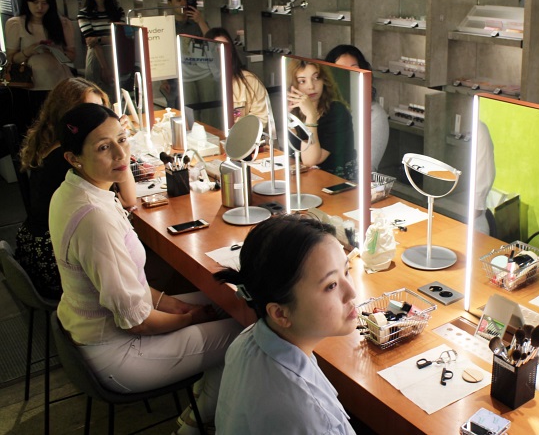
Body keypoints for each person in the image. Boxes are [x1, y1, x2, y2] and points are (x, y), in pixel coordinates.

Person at [50, 103, 241, 434]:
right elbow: (136, 321)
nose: (121, 153)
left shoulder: (76, 190)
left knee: (229, 303)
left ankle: (203, 400)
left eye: (121, 139)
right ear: (73, 158)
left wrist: (173, 303)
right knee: (244, 333)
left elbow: (128, 284)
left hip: (92, 333)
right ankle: (194, 423)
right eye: (103, 147)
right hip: (119, 354)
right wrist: (188, 318)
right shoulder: (94, 217)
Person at [215, 215, 358, 434]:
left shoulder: (247, 339)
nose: (351, 292)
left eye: (346, 271)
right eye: (331, 285)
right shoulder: (309, 415)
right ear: (280, 313)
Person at [16, 78, 136, 299]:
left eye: (102, 109)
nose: (97, 117)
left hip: (32, 249)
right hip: (51, 264)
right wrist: (121, 145)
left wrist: (115, 138)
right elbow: (129, 200)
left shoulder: (51, 144)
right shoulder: (69, 160)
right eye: (90, 110)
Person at [4, 0, 75, 130]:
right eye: (35, 2)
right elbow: (11, 59)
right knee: (38, 128)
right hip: (31, 85)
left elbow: (72, 55)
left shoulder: (62, 23)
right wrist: (29, 51)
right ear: (27, 2)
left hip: (59, 83)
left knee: (61, 126)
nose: (40, 7)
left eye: (45, 3)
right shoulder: (16, 24)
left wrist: (56, 50)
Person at [287, 59, 357, 181]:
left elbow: (311, 160)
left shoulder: (337, 111)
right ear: (293, 86)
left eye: (316, 78)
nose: (311, 86)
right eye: (302, 81)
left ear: (323, 80)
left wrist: (310, 116)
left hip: (338, 181)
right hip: (307, 178)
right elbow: (289, 151)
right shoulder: (294, 109)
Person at [324, 45, 389, 172]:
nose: (350, 75)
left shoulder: (374, 114)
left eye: (354, 69)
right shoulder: (325, 109)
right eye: (342, 70)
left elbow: (366, 168)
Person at [204, 27, 273, 128]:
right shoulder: (202, 83)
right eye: (215, 49)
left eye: (225, 48)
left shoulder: (249, 81)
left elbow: (261, 118)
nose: (221, 53)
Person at [160, 0, 213, 113]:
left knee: (209, 107)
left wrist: (200, 21)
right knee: (187, 110)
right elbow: (163, 52)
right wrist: (164, 79)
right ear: (170, 2)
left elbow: (212, 41)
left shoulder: (197, 22)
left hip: (202, 71)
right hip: (180, 74)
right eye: (179, 0)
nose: (183, 3)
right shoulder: (166, 25)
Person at [77, 0, 124, 99]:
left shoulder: (117, 10)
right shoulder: (84, 13)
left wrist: (99, 38)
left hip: (115, 53)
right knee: (97, 95)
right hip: (97, 56)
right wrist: (105, 68)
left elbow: (122, 36)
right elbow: (91, 42)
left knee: (116, 96)